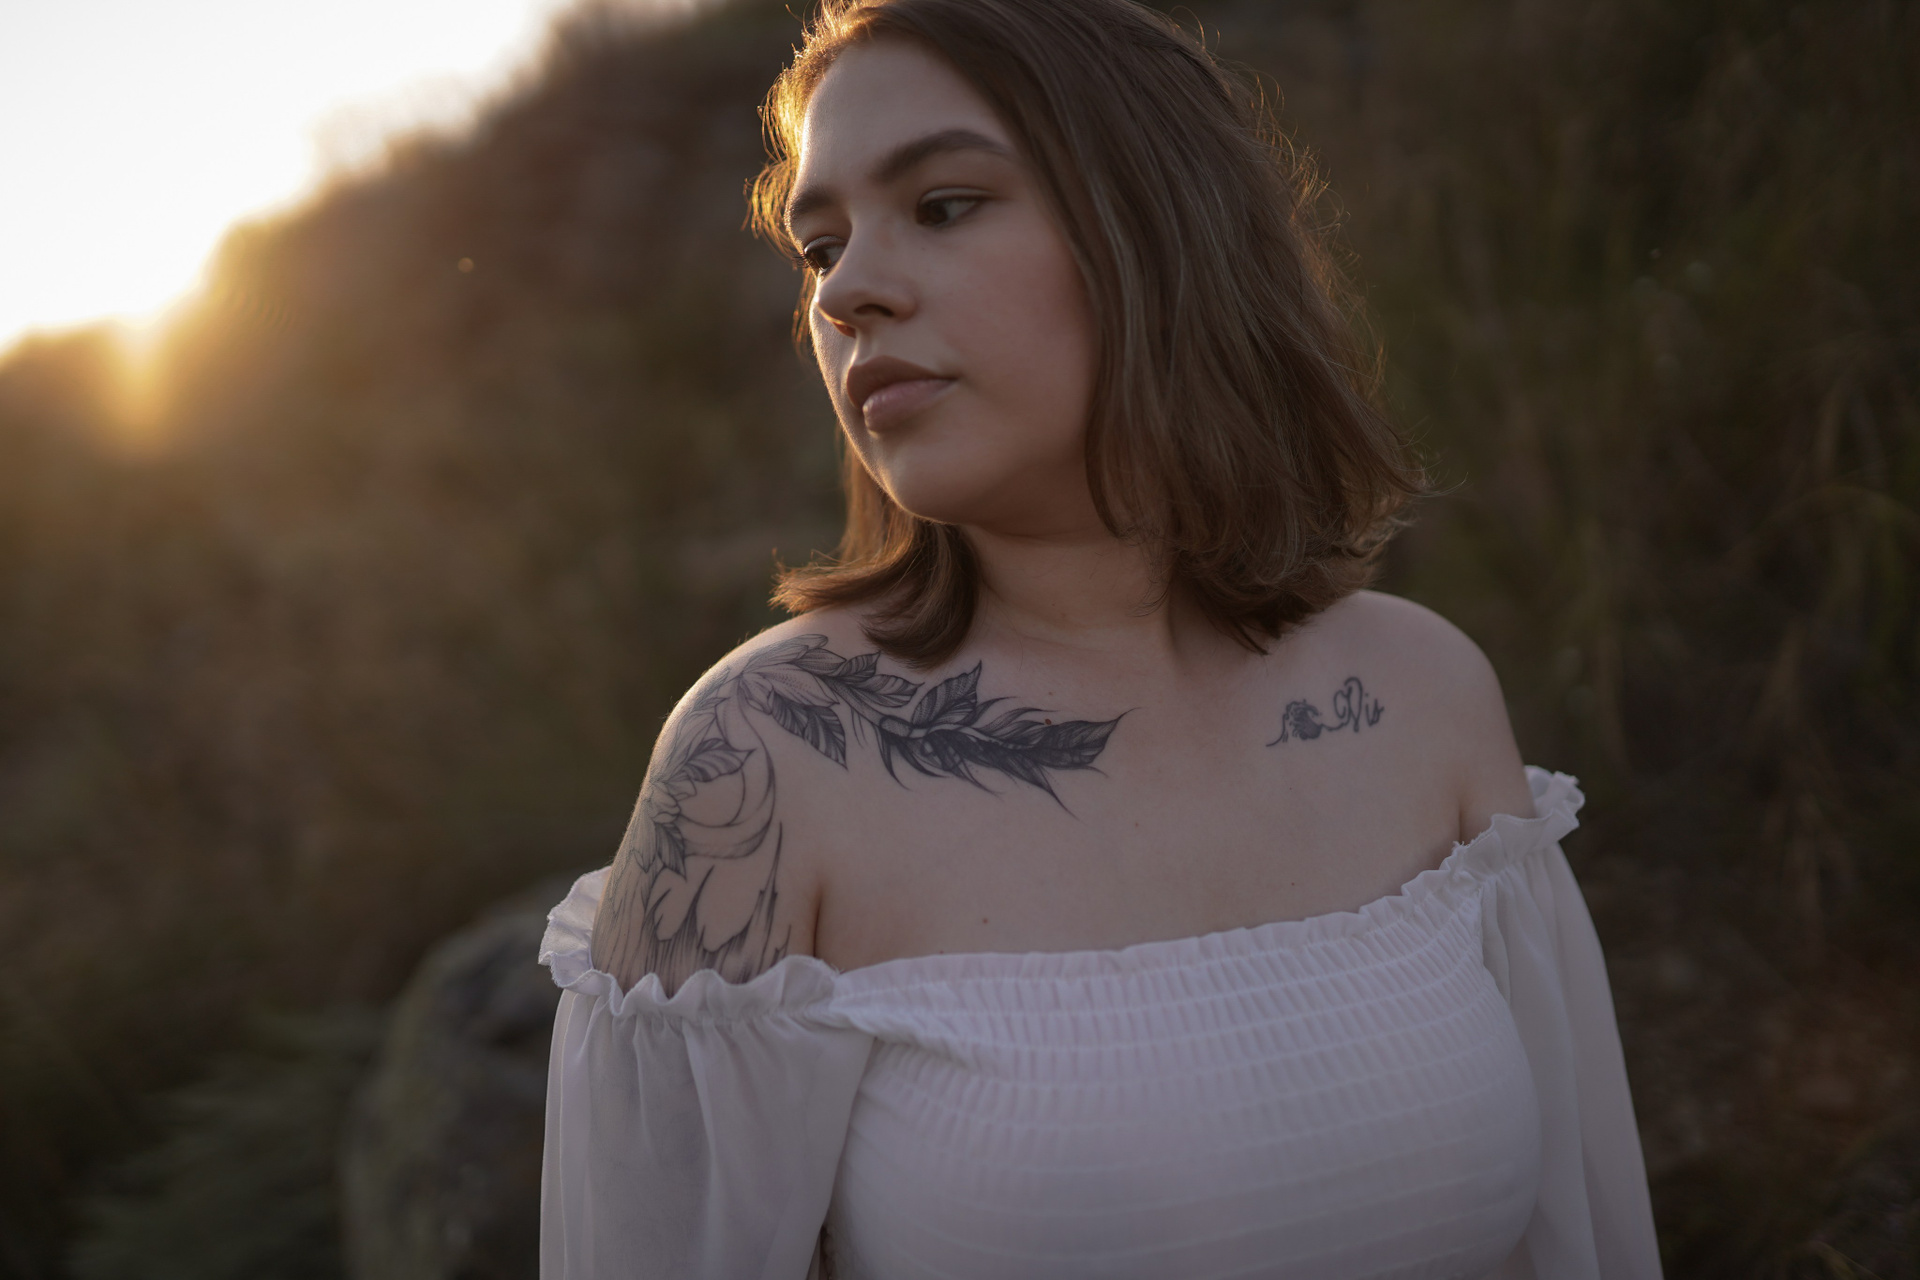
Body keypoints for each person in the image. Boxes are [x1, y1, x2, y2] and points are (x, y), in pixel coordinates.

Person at [538, 0, 1663, 1275]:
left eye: (944, 205)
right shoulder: (762, 757)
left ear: (1158, 222)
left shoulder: (1420, 691)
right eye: (819, 246)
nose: (846, 291)